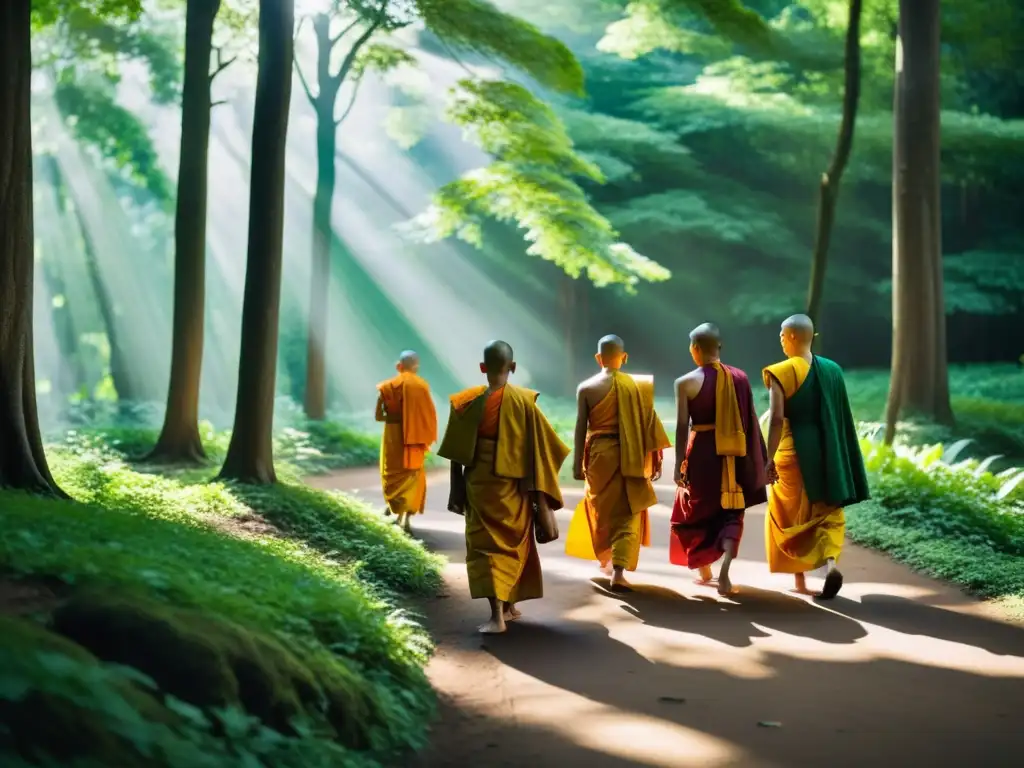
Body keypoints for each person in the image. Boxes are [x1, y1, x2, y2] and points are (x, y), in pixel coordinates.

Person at [438, 340, 570, 634]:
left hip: (478, 487)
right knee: (513, 544)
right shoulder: (525, 402)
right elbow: (546, 450)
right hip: (515, 489)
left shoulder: (464, 403)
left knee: (486, 548)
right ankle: (503, 611)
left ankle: (501, 613)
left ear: (483, 368)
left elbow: (455, 457)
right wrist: (540, 493)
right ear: (512, 367)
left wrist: (455, 492)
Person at [762, 314, 870, 599]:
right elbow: (839, 415)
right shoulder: (833, 370)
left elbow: (775, 419)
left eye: (782, 335)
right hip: (827, 452)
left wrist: (767, 458)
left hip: (792, 452)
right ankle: (831, 563)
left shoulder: (782, 371)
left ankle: (799, 580)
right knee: (826, 512)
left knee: (791, 514)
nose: (781, 341)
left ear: (793, 336)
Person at [565, 335, 670, 591]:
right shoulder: (637, 387)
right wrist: (655, 460)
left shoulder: (587, 388)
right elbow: (650, 425)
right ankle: (619, 570)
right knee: (628, 510)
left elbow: (581, 428)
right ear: (624, 358)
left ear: (599, 358)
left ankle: (608, 557)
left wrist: (577, 463)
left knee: (602, 509)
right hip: (631, 455)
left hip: (600, 455)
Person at [669, 324, 767, 596]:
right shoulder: (740, 378)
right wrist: (759, 460)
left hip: (701, 454)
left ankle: (705, 571)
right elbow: (751, 423)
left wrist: (679, 465)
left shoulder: (685, 383)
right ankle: (724, 569)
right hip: (733, 455)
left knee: (696, 510)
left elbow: (681, 426)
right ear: (719, 348)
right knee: (731, 510)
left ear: (695, 348)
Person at [375, 350, 437, 534]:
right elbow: (430, 416)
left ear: (398, 366)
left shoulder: (387, 387)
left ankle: (392, 506)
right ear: (416, 367)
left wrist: (394, 418)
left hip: (393, 435)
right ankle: (406, 519)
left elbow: (378, 416)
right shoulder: (422, 386)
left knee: (392, 471)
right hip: (414, 438)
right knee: (412, 475)